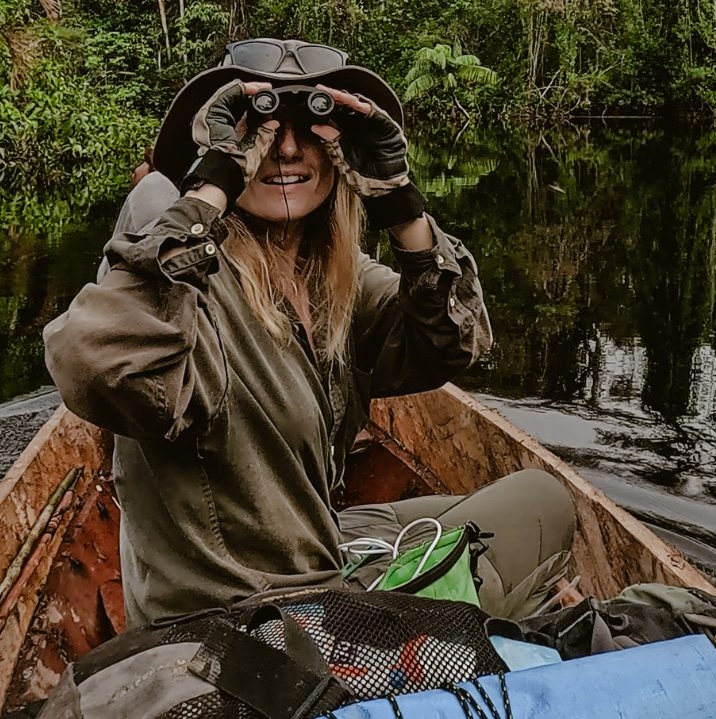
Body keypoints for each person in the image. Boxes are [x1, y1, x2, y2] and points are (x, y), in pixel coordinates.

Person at [44, 38, 575, 628]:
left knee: (532, 500)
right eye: (260, 130)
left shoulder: (330, 280)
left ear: (341, 151)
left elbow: (457, 344)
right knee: (540, 511)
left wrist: (401, 205)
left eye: (314, 128)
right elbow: (95, 363)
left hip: (310, 549)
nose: (287, 148)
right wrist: (210, 184)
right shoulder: (184, 286)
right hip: (242, 618)